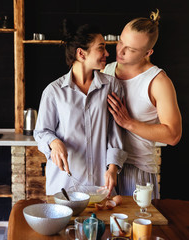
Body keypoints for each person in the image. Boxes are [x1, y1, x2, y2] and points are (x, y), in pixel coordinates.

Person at [33, 21, 127, 196]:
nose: (107, 53)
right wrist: (54, 142)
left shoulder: (112, 86)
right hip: (65, 186)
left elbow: (115, 132)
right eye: (101, 48)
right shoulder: (54, 91)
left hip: (101, 185)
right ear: (81, 53)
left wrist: (113, 168)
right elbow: (41, 132)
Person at [103, 9, 182, 198]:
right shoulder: (107, 69)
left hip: (137, 170)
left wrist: (129, 123)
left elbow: (173, 135)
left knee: (139, 228)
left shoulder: (158, 81)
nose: (120, 51)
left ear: (148, 52)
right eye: (121, 41)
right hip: (106, 167)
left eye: (130, 49)